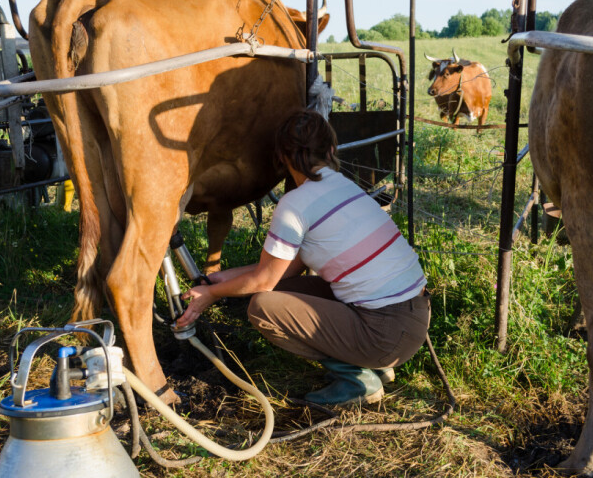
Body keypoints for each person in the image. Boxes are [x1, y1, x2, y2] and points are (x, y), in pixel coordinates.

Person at [179, 109, 430, 406]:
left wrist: (210, 294)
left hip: (384, 332)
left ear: (282, 158)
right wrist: (226, 277)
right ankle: (375, 364)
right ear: (332, 149)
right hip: (413, 316)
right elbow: (288, 266)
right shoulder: (344, 186)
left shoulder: (295, 205)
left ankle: (357, 376)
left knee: (262, 307)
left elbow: (263, 280)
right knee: (282, 292)